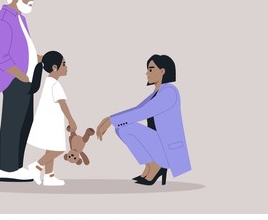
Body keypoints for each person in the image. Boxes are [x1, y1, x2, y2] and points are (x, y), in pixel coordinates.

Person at [96, 54, 191, 185]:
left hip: (169, 149)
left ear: (162, 71)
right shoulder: (157, 93)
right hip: (160, 144)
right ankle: (150, 165)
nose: (147, 73)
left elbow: (142, 112)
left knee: (126, 128)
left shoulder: (170, 92)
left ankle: (157, 166)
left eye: (151, 69)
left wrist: (110, 121)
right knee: (121, 129)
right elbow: (138, 108)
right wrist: (110, 119)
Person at [0, 0, 43, 182]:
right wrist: (20, 75)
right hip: (14, 80)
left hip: (26, 80)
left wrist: (38, 58)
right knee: (12, 124)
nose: (31, 0)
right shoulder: (3, 19)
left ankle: (16, 166)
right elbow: (1, 56)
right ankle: (7, 169)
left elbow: (23, 48)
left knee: (25, 122)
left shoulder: (20, 18)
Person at [27, 51, 77, 186]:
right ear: (55, 67)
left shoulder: (49, 82)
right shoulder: (55, 85)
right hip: (52, 122)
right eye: (64, 64)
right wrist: (71, 121)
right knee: (58, 149)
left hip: (48, 121)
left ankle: (49, 176)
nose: (66, 67)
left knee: (50, 149)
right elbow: (63, 104)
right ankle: (36, 166)